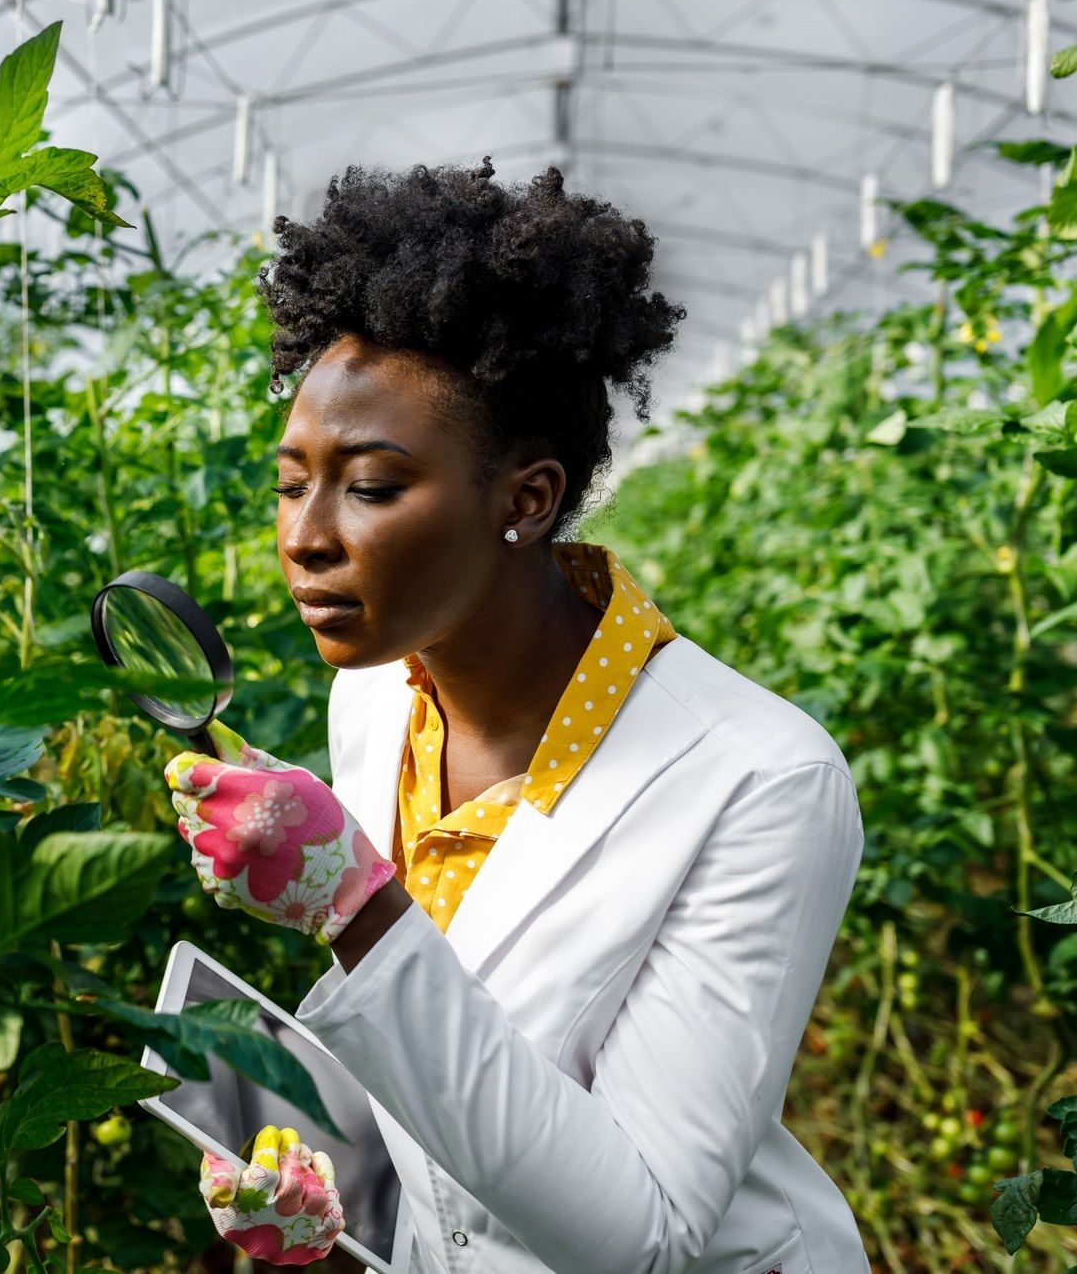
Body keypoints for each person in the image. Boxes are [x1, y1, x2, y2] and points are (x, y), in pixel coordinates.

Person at [166, 158, 869, 1273]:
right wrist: (337, 1210)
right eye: (292, 480)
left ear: (526, 499)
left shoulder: (760, 776)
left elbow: (644, 1235)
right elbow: (447, 1064)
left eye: (373, 485)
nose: (306, 535)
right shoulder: (374, 704)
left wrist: (356, 908)